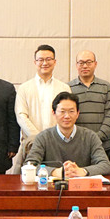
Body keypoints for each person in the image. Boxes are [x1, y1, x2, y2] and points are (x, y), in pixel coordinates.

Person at [10, 44, 71, 174]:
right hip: (31, 144)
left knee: (56, 176)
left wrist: (52, 138)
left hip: (57, 144)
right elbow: (21, 116)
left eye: (48, 59)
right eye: (40, 60)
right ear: (35, 62)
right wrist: (40, 138)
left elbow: (66, 116)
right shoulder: (24, 88)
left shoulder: (64, 88)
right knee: (30, 179)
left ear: (55, 62)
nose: (44, 63)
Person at [24, 92, 110, 177]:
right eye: (62, 111)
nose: (67, 116)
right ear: (54, 113)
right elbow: (30, 165)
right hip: (52, 186)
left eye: (71, 111)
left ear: (78, 113)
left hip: (81, 186)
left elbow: (105, 165)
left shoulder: (90, 136)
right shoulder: (43, 137)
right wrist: (54, 171)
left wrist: (82, 171)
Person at [68, 50, 110, 153]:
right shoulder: (68, 88)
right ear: (76, 65)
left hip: (102, 145)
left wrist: (97, 137)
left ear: (95, 64)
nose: (85, 66)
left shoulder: (105, 86)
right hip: (77, 145)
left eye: (89, 62)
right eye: (81, 63)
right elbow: (68, 117)